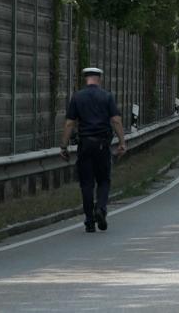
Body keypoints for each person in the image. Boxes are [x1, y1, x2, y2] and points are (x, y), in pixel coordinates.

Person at [60, 67, 125, 233]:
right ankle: (101, 209)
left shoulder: (77, 97)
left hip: (85, 145)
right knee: (104, 180)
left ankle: (89, 221)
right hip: (103, 145)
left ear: (85, 79)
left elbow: (69, 123)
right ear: (100, 79)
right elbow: (116, 121)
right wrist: (122, 142)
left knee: (86, 183)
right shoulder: (107, 96)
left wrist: (64, 146)